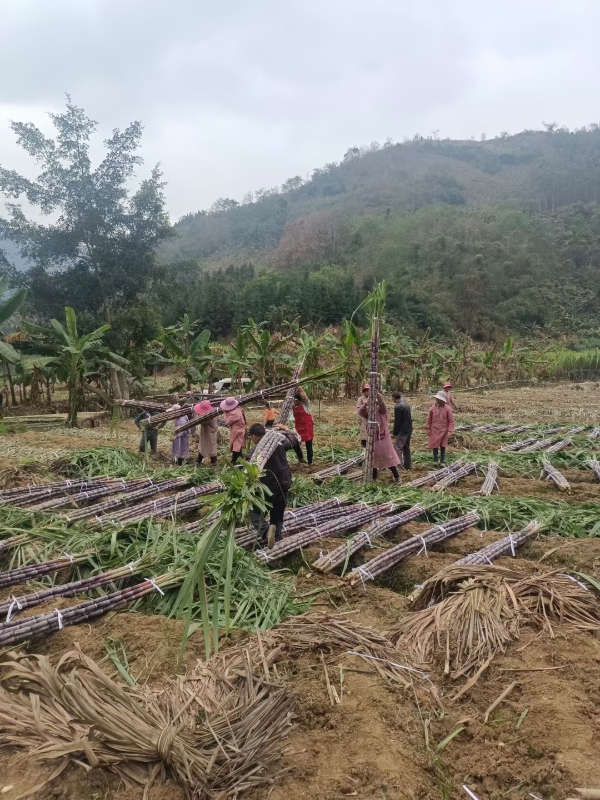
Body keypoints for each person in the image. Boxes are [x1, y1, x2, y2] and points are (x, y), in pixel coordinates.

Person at [247, 423, 297, 548]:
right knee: (277, 514)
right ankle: (277, 539)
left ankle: (265, 531)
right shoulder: (279, 443)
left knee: (254, 513)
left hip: (267, 488)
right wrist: (286, 429)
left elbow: (246, 470)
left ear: (253, 437)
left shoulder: (254, 452)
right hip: (284, 484)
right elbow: (294, 440)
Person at [357, 391, 401, 483]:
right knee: (373, 460)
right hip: (373, 439)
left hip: (384, 440)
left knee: (389, 458)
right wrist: (365, 404)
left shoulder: (382, 412)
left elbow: (382, 405)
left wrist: (378, 396)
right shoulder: (369, 413)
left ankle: (397, 477)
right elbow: (360, 412)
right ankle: (374, 478)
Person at [426, 391, 455, 464]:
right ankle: (435, 460)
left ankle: (442, 460)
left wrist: (450, 431)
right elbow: (428, 419)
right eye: (438, 399)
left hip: (444, 430)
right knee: (435, 445)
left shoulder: (447, 409)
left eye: (440, 400)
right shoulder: (432, 408)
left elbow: (451, 421)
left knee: (443, 445)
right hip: (434, 429)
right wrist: (428, 428)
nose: (439, 401)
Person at [220, 396, 247, 464]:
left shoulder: (234, 414)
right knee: (238, 446)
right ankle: (238, 461)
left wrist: (225, 413)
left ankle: (235, 462)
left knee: (236, 447)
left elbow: (227, 422)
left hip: (237, 431)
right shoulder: (238, 409)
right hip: (239, 430)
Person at [291, 388, 314, 465]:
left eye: (295, 401)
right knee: (295, 444)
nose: (294, 402)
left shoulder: (306, 405)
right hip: (298, 428)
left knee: (308, 445)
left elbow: (305, 397)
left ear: (299, 400)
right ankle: (300, 458)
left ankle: (310, 462)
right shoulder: (293, 407)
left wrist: (299, 388)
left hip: (307, 428)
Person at [193, 400, 218, 466]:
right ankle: (200, 460)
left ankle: (213, 461)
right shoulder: (212, 412)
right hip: (207, 432)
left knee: (209, 446)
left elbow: (203, 422)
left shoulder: (210, 415)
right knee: (206, 445)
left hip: (209, 432)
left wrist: (196, 416)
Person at [391, 391, 413, 469]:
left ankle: (399, 466)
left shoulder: (398, 407)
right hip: (409, 429)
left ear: (393, 398)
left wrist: (394, 433)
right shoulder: (406, 405)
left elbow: (398, 421)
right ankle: (407, 466)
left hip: (402, 430)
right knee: (406, 448)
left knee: (397, 447)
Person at [168, 399, 190, 466]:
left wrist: (176, 436)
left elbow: (184, 430)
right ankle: (180, 461)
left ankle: (181, 463)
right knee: (180, 449)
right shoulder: (180, 417)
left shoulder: (182, 419)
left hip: (181, 437)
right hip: (179, 436)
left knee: (181, 449)